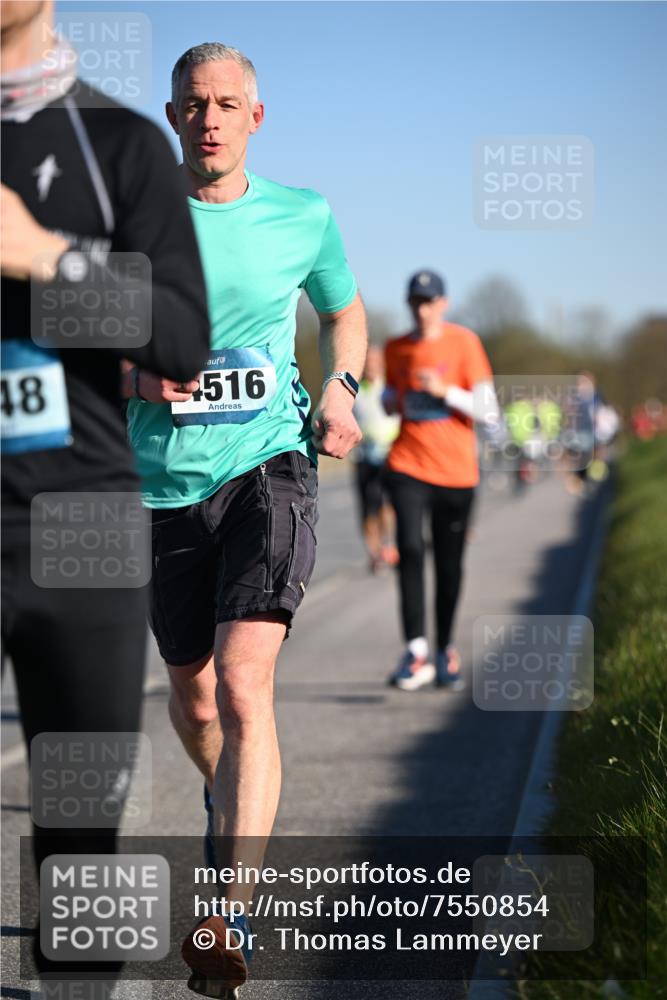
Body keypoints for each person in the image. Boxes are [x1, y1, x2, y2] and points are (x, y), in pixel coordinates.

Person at [122, 42, 366, 995]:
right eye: (194, 104)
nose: (211, 119)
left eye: (228, 104)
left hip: (269, 466)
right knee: (193, 703)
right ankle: (225, 801)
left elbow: (344, 314)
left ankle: (231, 910)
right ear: (173, 116)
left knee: (242, 680)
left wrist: (340, 389)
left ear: (255, 116)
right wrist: (138, 378)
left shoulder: (304, 215)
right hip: (159, 490)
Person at [0, 0, 209, 982]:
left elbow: (180, 340)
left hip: (80, 528)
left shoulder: (120, 142)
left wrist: (47, 257)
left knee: (80, 853)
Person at [383, 270, 498, 692]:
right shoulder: (396, 347)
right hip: (408, 464)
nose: (422, 309)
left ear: (443, 304)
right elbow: (389, 396)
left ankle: (445, 647)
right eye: (415, 301)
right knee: (410, 549)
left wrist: (446, 390)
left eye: (429, 301)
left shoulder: (465, 343)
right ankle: (415, 650)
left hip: (455, 472)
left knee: (449, 565)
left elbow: (489, 410)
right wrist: (391, 399)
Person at [351, 345, 400, 571]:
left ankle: (388, 546)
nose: (371, 365)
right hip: (363, 456)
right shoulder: (354, 391)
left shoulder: (390, 387)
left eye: (375, 360)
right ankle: (373, 553)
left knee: (387, 505)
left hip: (389, 455)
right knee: (367, 507)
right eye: (367, 360)